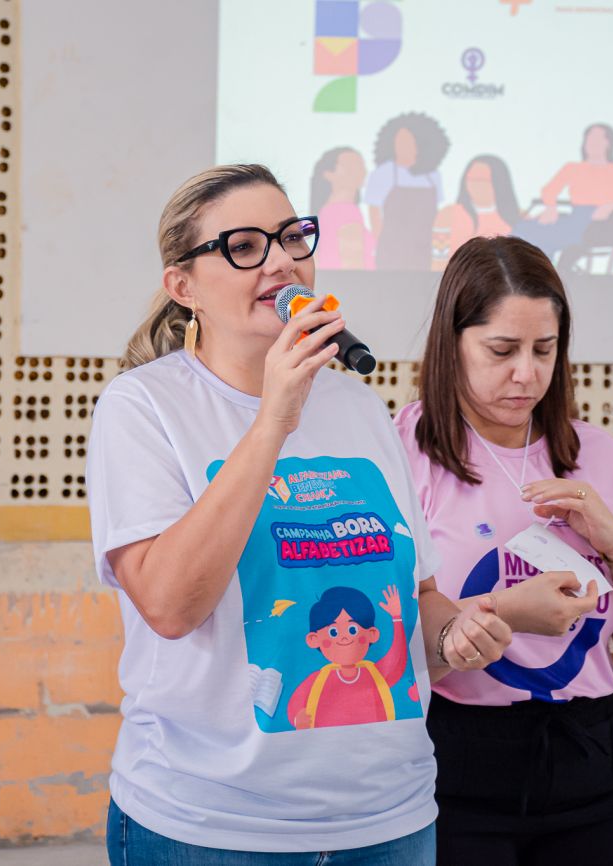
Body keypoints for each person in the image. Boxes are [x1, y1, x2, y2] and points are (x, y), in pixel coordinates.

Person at [90, 164, 512, 864]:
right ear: (183, 287)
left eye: (292, 237)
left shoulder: (359, 408)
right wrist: (273, 420)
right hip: (213, 827)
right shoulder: (143, 407)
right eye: (244, 246)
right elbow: (169, 605)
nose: (282, 260)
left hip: (389, 820)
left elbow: (418, 600)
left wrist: (456, 633)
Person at [395, 236, 613, 865]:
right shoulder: (400, 453)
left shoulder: (600, 457)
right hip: (455, 759)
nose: (527, 373)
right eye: (501, 350)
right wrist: (506, 613)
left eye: (545, 349)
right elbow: (382, 647)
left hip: (597, 756)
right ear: (451, 344)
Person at [512, 123, 613, 260]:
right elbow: (549, 190)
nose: (591, 143)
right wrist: (551, 208)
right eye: (589, 138)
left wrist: (610, 206)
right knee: (524, 228)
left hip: (599, 221)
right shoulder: (573, 168)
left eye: (597, 138)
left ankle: (542, 268)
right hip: (576, 216)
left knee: (546, 235)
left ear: (608, 143)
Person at [365, 113, 450, 271]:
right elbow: (374, 215)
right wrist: (387, 247)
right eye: (399, 140)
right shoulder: (383, 173)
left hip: (424, 252)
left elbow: (436, 217)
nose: (401, 145)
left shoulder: (433, 175)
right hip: (391, 253)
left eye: (408, 140)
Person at [431, 155, 520, 271]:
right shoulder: (447, 215)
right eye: (471, 179)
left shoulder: (517, 216)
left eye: (482, 180)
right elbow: (438, 264)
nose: (475, 185)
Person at [311, 147, 374, 270]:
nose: (359, 170)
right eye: (350, 166)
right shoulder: (343, 211)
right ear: (329, 174)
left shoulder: (328, 211)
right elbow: (353, 261)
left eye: (360, 165)